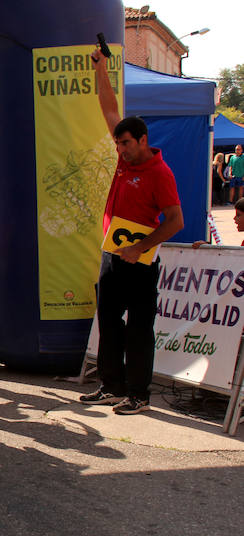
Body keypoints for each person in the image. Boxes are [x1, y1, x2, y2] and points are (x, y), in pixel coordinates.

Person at [79, 47, 185, 415]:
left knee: (139, 328)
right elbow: (108, 109)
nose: (120, 149)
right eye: (118, 143)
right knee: (108, 322)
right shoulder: (124, 161)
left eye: (125, 143)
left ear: (142, 140)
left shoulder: (160, 173)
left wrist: (140, 246)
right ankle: (111, 385)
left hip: (140, 262)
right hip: (113, 255)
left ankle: (138, 394)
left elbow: (175, 220)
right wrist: (102, 69)